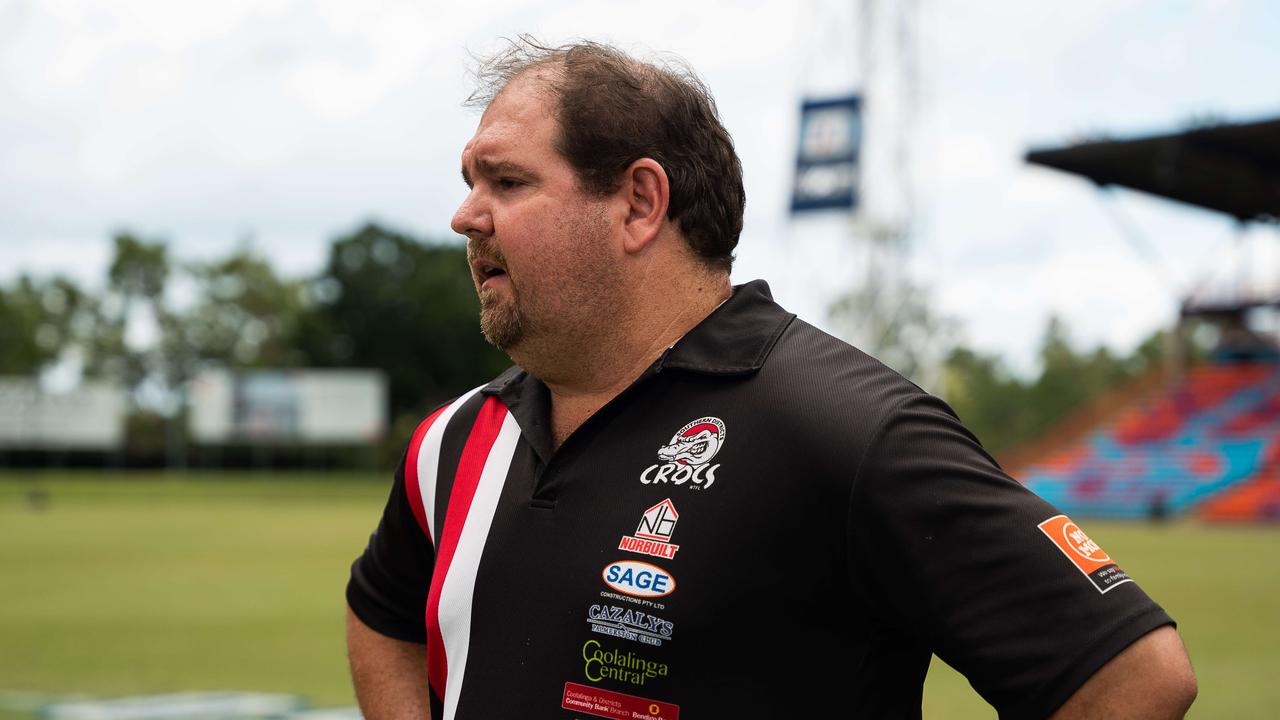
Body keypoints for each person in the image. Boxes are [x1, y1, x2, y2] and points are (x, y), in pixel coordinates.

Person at [346, 38, 1197, 720]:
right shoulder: (453, 441)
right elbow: (382, 615)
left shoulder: (846, 429)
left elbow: (1134, 677)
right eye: (469, 182)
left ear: (640, 203)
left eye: (507, 181)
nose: (465, 215)